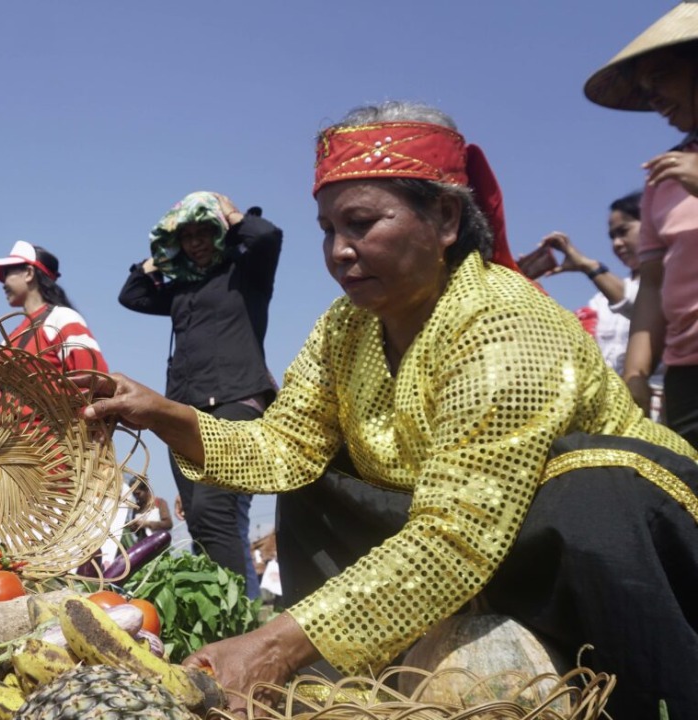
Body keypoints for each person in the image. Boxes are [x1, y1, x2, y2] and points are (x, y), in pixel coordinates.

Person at [82, 101, 698, 717]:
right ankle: (360, 670)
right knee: (319, 472)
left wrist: (274, 646)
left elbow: (457, 533)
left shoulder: (506, 325)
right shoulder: (344, 328)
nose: (339, 251)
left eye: (361, 224)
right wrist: (166, 414)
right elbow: (284, 447)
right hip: (466, 544)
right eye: (328, 229)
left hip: (605, 550)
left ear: (447, 217)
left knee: (586, 487)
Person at [118, 191, 283, 597]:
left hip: (234, 404)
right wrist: (159, 255)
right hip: (185, 413)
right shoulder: (180, 291)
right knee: (198, 517)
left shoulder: (245, 275)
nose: (195, 242)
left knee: (215, 514)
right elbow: (132, 294)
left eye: (203, 231)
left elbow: (266, 236)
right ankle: (212, 610)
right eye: (186, 235)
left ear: (219, 233)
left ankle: (237, 624)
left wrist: (227, 211)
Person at [585, 1, 698, 450]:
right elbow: (652, 286)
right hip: (685, 374)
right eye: (645, 87)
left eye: (662, 76)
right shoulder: (663, 178)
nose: (653, 97)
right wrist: (634, 374)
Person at [537, 192, 667, 419]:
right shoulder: (600, 301)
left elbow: (642, 309)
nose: (617, 243)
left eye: (624, 231)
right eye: (612, 236)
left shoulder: (674, 282)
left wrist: (589, 266)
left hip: (661, 410)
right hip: (613, 410)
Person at [0, 240, 109, 374]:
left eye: (7, 273)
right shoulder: (8, 340)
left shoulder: (62, 319)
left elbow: (95, 381)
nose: (3, 283)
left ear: (29, 273)